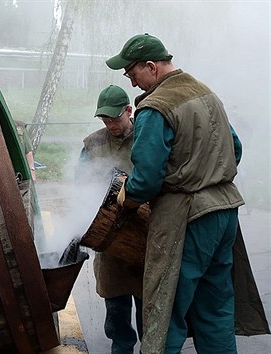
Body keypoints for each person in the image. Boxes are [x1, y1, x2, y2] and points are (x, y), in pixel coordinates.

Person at [108, 33, 245, 354]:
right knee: (215, 310)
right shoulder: (205, 94)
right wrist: (204, 172)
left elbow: (146, 180)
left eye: (132, 74)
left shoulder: (156, 107)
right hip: (225, 213)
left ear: (151, 67)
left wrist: (125, 196)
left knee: (164, 312)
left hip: (186, 220)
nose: (132, 83)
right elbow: (234, 149)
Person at [76, 85, 143, 354]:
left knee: (146, 299)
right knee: (114, 296)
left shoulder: (146, 134)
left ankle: (150, 346)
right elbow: (80, 183)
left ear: (129, 111)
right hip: (109, 232)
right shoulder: (93, 143)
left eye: (115, 118)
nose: (110, 124)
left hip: (143, 230)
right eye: (105, 119)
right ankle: (121, 346)